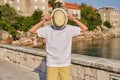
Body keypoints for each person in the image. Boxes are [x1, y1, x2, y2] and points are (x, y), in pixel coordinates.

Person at [29, 9, 88, 80]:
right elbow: (85, 28)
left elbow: (31, 30)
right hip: (65, 63)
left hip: (52, 64)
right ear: (65, 19)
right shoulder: (70, 29)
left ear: (53, 19)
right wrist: (73, 19)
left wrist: (44, 20)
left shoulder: (47, 29)